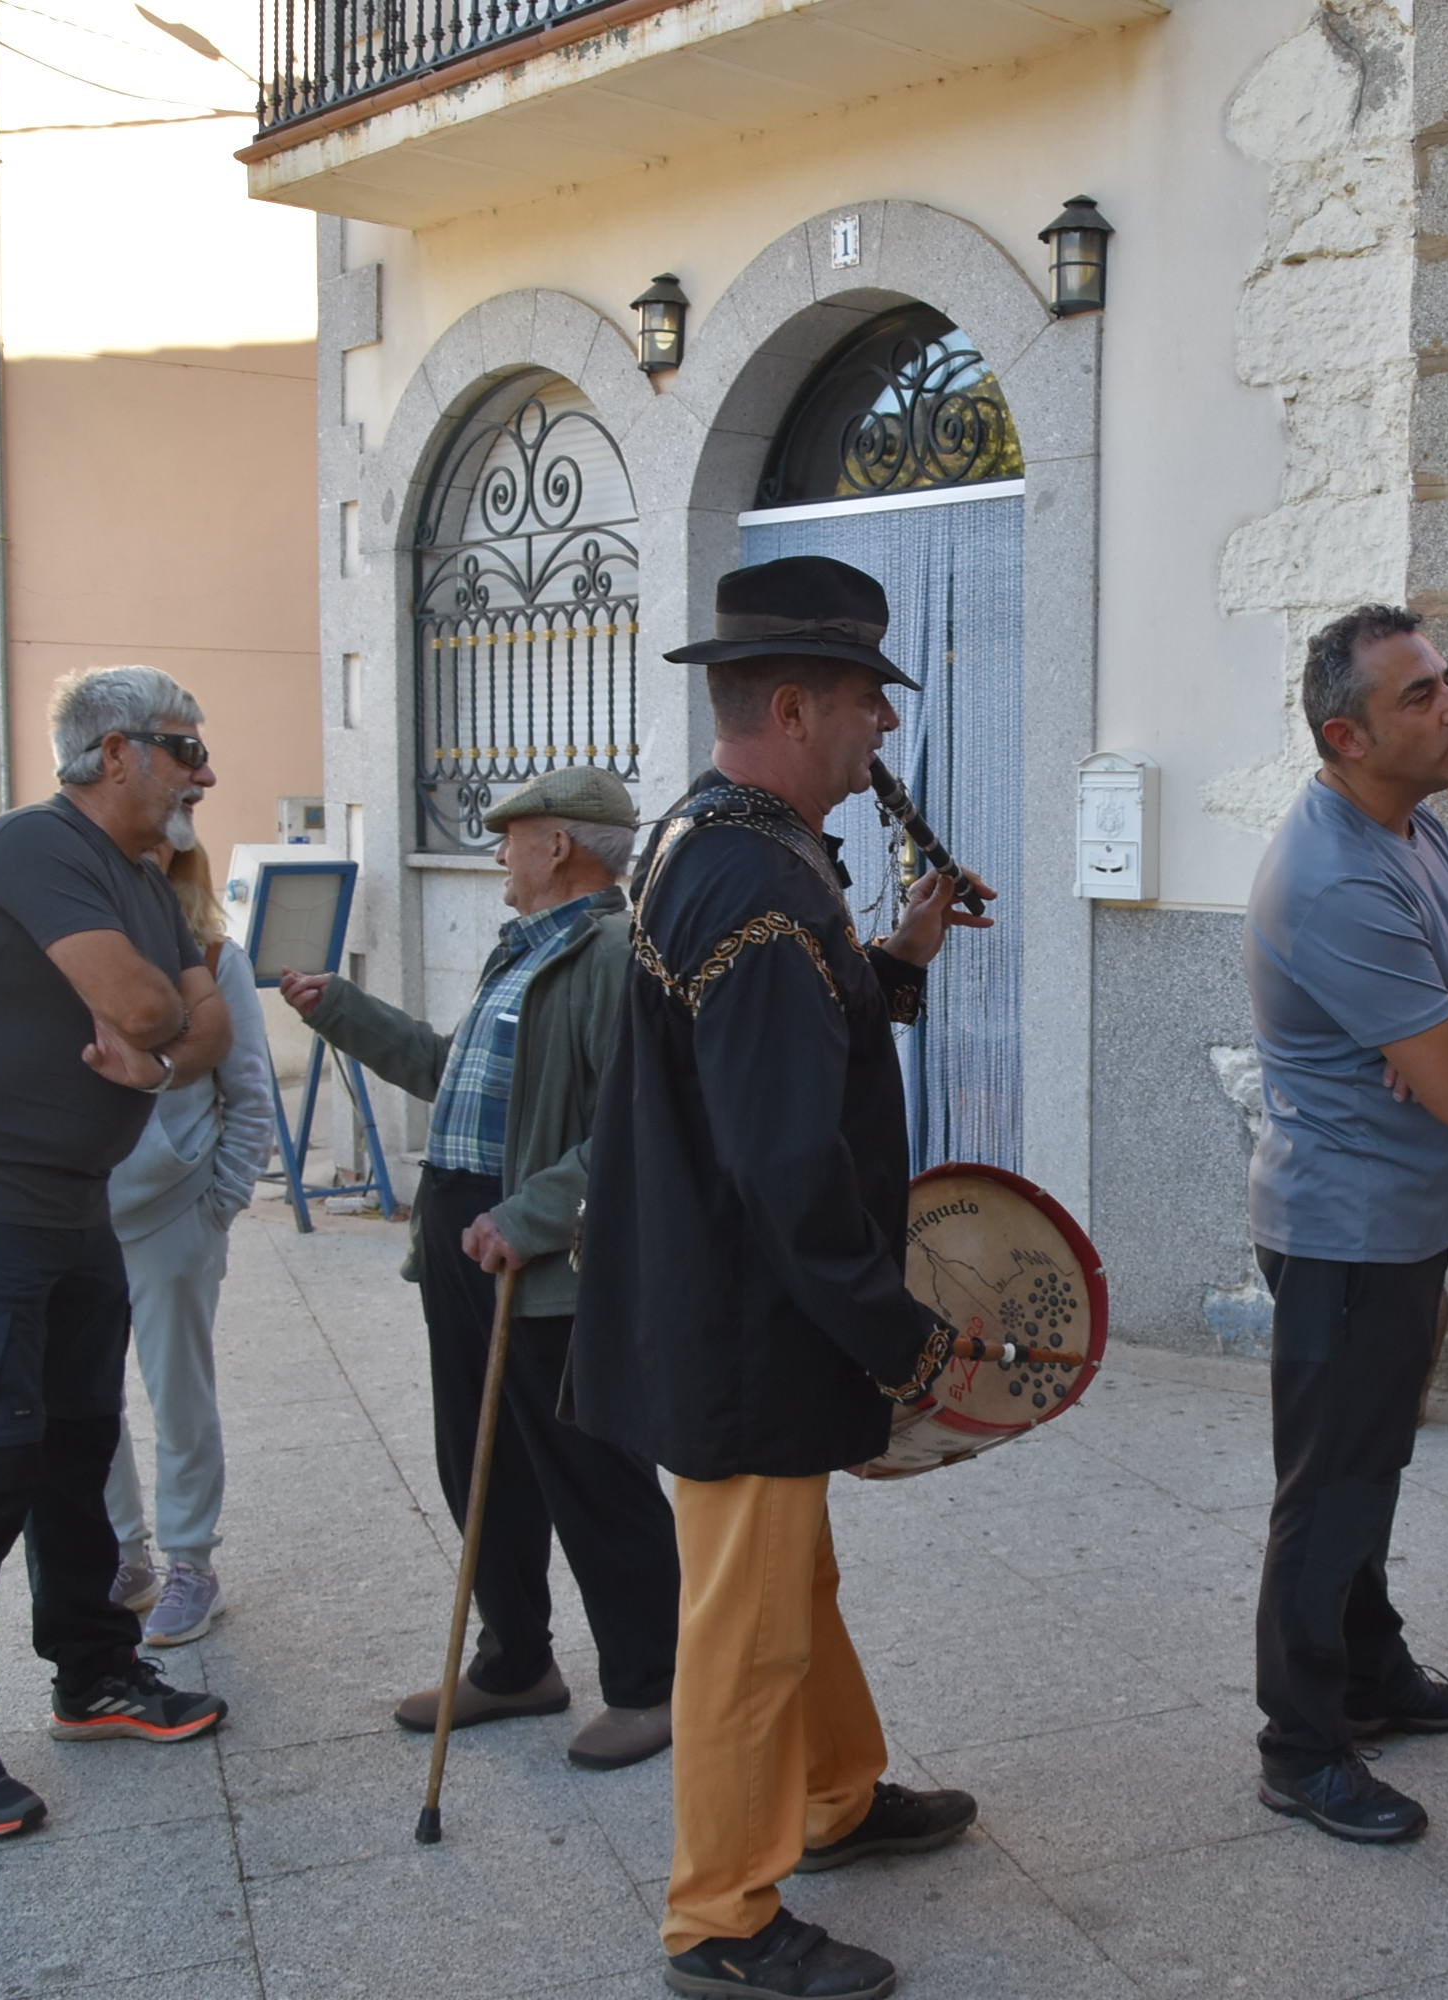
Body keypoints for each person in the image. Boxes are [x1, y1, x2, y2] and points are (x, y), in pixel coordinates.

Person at [571, 555, 996, 2000]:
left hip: (721, 1298)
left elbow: (770, 1044)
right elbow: (784, 1159)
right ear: (798, 707)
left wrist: (894, 957)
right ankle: (721, 1919)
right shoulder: (753, 875)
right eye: (870, 697)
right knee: (747, 1627)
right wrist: (897, 1332)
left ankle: (834, 1797)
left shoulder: (718, 837)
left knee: (789, 1580)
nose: (888, 723)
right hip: (747, 1321)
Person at [0, 665, 235, 1842]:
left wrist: (166, 1054)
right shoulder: (33, 845)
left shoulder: (144, 875)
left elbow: (205, 1025)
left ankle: (94, 1674)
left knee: (80, 1441)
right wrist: (164, 1030)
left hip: (74, 1196)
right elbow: (149, 1007)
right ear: (114, 752)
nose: (204, 772)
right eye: (185, 748)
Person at [277, 767, 679, 1773]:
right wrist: (342, 1011)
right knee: (481, 1464)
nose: (498, 853)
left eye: (511, 836)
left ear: (559, 846)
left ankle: (653, 1683)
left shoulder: (612, 956)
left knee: (592, 1474)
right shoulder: (526, 949)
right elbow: (446, 1070)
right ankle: (515, 1662)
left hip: (543, 1257)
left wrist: (530, 1216)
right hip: (468, 1243)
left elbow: (635, 1127)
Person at [1241, 604, 1448, 1844]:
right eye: (1420, 694)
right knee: (1330, 1488)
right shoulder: (1331, 876)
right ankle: (1301, 1745)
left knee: (1370, 1465)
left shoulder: (1410, 826)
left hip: (1396, 1221)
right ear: (1347, 736)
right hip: (1344, 1231)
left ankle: (1370, 1668)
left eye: (1445, 680)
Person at [105, 837, 279, 1647]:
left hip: (175, 1210)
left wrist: (221, 1201)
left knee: (178, 1391)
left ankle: (190, 1563)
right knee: (86, 1395)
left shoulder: (212, 959)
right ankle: (122, 1554)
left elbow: (250, 1092)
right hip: (78, 1207)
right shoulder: (77, 958)